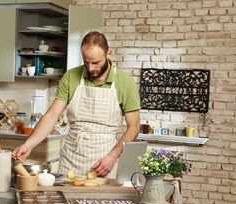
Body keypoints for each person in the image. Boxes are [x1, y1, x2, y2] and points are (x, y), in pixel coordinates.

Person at [13, 32, 141, 179]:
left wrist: (113, 156)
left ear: (108, 54)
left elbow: (134, 127)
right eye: (86, 62)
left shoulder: (125, 82)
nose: (90, 68)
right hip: (71, 159)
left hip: (105, 161)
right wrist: (29, 144)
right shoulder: (71, 76)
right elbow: (52, 115)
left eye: (96, 63)